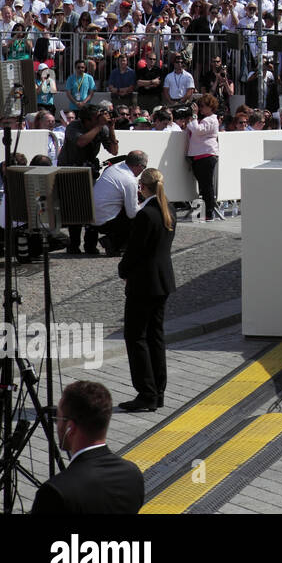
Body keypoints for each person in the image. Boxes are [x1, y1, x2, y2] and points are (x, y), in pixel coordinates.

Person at [30, 380, 144, 514]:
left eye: (58, 419)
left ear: (70, 428)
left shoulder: (55, 492)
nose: (57, 425)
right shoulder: (132, 474)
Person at [118, 168, 176, 412]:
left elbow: (135, 251)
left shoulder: (146, 215)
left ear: (142, 187)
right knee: (155, 336)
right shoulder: (168, 210)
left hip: (143, 283)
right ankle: (158, 391)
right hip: (162, 280)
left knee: (136, 336)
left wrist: (123, 270)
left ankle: (146, 392)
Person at [57, 104, 119, 254]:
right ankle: (74, 245)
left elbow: (114, 151)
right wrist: (99, 126)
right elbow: (81, 142)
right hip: (70, 170)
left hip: (89, 170)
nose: (103, 118)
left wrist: (110, 129)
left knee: (92, 207)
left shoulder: (102, 128)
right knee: (75, 208)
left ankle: (90, 245)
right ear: (89, 119)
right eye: (99, 116)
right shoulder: (74, 126)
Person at [92, 150, 147, 255]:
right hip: (106, 220)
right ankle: (115, 242)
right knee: (142, 214)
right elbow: (132, 213)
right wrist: (148, 202)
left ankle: (114, 241)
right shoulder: (129, 180)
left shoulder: (114, 168)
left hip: (93, 214)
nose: (142, 171)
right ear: (139, 166)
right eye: (144, 168)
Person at [186, 94, 221, 221]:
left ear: (210, 107)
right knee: (204, 186)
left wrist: (194, 116)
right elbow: (192, 128)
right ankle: (206, 212)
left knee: (206, 186)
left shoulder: (210, 120)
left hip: (206, 155)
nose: (200, 109)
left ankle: (209, 213)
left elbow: (198, 130)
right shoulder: (207, 119)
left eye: (202, 106)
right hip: (201, 155)